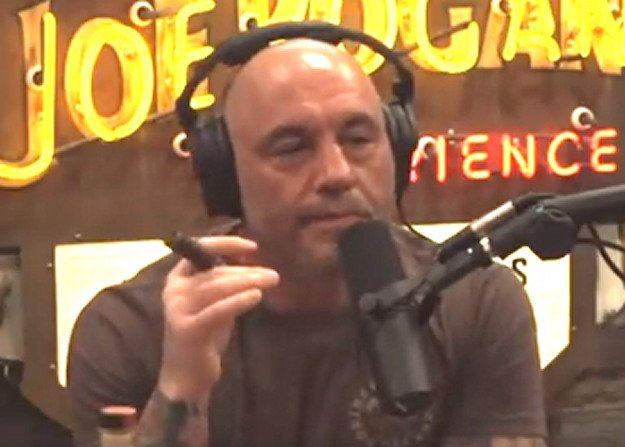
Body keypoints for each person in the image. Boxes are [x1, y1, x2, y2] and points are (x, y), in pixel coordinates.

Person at [67, 28, 547, 447]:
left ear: (397, 150)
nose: (338, 173)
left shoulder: (475, 302)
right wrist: (181, 390)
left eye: (358, 139)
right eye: (292, 147)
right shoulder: (128, 331)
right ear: (227, 176)